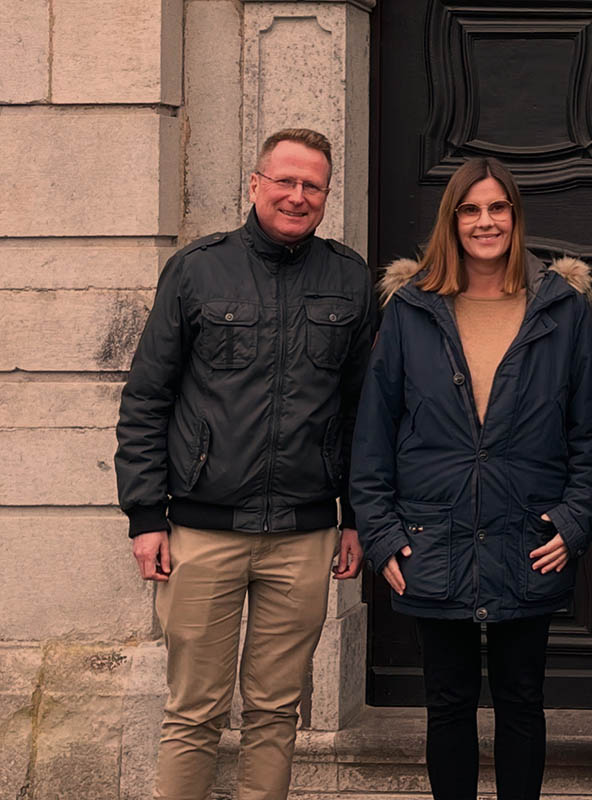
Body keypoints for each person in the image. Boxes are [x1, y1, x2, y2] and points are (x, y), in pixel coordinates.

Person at [115, 128, 376, 800]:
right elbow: (147, 397)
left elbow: (361, 414)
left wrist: (356, 519)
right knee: (193, 711)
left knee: (275, 713)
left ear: (325, 196)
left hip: (305, 535)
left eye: (311, 185)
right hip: (202, 534)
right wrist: (147, 515)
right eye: (284, 181)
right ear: (255, 184)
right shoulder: (198, 269)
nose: (297, 196)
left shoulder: (349, 278)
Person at [350, 157, 592, 800]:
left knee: (522, 699)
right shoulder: (412, 310)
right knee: (448, 702)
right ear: (452, 219)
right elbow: (374, 431)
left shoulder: (561, 309)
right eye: (470, 209)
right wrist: (379, 535)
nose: (484, 221)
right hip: (434, 536)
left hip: (530, 535)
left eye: (497, 208)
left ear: (515, 217)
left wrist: (574, 523)